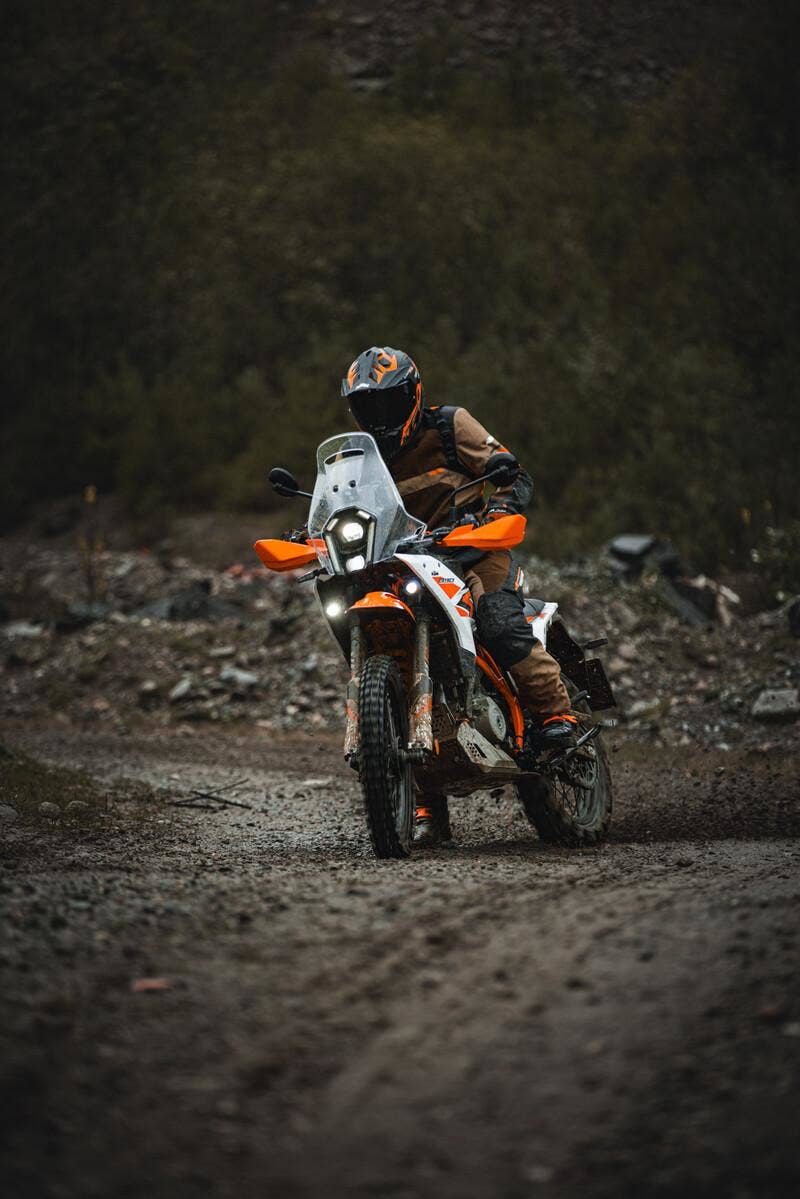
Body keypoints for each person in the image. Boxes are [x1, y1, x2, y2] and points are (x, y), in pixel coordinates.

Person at [340, 346, 577, 847]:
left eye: (389, 402)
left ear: (412, 395)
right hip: (399, 563)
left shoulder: (449, 426)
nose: (379, 416)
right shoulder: (360, 457)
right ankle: (424, 806)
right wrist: (314, 531)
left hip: (472, 553)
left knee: (496, 620)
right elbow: (340, 506)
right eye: (368, 407)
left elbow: (512, 472)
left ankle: (555, 714)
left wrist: (497, 511)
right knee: (389, 652)